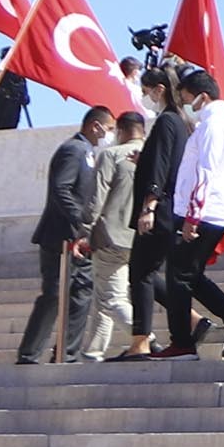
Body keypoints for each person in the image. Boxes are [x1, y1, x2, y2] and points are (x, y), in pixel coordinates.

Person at [161, 66, 224, 357]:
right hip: (205, 211)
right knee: (188, 274)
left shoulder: (214, 125)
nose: (187, 104)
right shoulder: (215, 123)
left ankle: (183, 342)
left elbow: (206, 171)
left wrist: (193, 216)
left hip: (203, 213)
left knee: (179, 276)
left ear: (202, 96)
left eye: (189, 98)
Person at [18, 108, 116, 365]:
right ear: (95, 126)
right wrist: (81, 223)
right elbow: (61, 189)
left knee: (82, 292)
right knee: (53, 294)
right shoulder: (73, 150)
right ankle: (30, 353)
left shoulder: (88, 152)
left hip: (80, 242)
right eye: (109, 128)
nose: (110, 134)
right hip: (60, 236)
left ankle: (67, 353)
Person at [71, 107, 147, 360]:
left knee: (112, 298)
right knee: (104, 297)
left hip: (111, 235)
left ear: (122, 131)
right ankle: (92, 352)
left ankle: (147, 339)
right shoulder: (153, 155)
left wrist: (85, 231)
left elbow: (97, 198)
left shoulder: (112, 154)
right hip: (142, 237)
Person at [123, 71, 188, 357]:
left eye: (147, 90)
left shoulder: (165, 121)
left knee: (140, 271)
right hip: (171, 207)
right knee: (147, 270)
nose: (145, 96)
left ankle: (141, 340)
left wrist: (149, 205)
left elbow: (161, 166)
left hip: (159, 208)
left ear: (159, 90)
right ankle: (193, 321)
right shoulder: (181, 122)